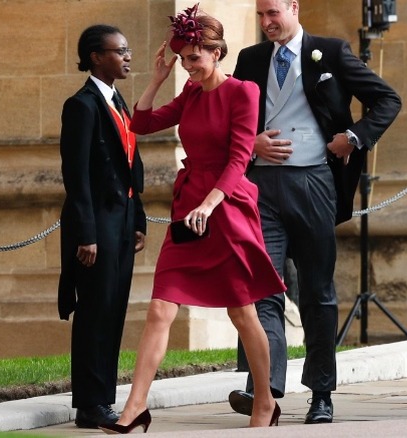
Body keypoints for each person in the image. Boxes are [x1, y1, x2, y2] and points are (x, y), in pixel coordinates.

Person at [98, 4, 286, 433]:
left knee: (243, 313)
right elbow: (140, 124)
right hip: (189, 209)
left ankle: (264, 401)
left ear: (216, 53)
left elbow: (240, 156)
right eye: (183, 59)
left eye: (194, 58)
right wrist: (158, 80)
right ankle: (135, 408)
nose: (188, 65)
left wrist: (210, 204)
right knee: (160, 308)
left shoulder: (243, 92)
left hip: (228, 207)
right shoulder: (189, 95)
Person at [228, 0, 402, 424]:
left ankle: (321, 392)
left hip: (314, 183)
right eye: (260, 16)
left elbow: (387, 100)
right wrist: (251, 142)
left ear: (293, 7)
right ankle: (264, 391)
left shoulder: (333, 51)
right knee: (261, 288)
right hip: (261, 188)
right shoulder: (249, 59)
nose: (267, 23)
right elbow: (231, 117)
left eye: (273, 13)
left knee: (317, 293)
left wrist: (354, 138)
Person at [57, 24, 147, 429]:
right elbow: (76, 176)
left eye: (127, 51)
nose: (127, 57)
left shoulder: (118, 101)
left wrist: (139, 219)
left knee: (113, 311)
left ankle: (102, 398)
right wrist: (86, 234)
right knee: (94, 311)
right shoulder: (82, 105)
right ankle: (89, 403)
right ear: (96, 57)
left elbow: (130, 166)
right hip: (97, 226)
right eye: (119, 51)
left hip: (123, 222)